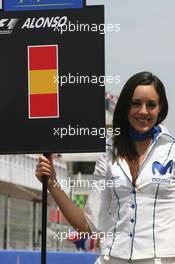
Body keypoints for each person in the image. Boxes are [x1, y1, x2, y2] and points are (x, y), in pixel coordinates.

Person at [35, 71, 175, 264]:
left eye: (151, 104)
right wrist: (52, 183)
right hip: (112, 258)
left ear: (161, 108)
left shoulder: (172, 151)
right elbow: (87, 226)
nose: (143, 111)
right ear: (126, 107)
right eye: (136, 103)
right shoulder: (109, 151)